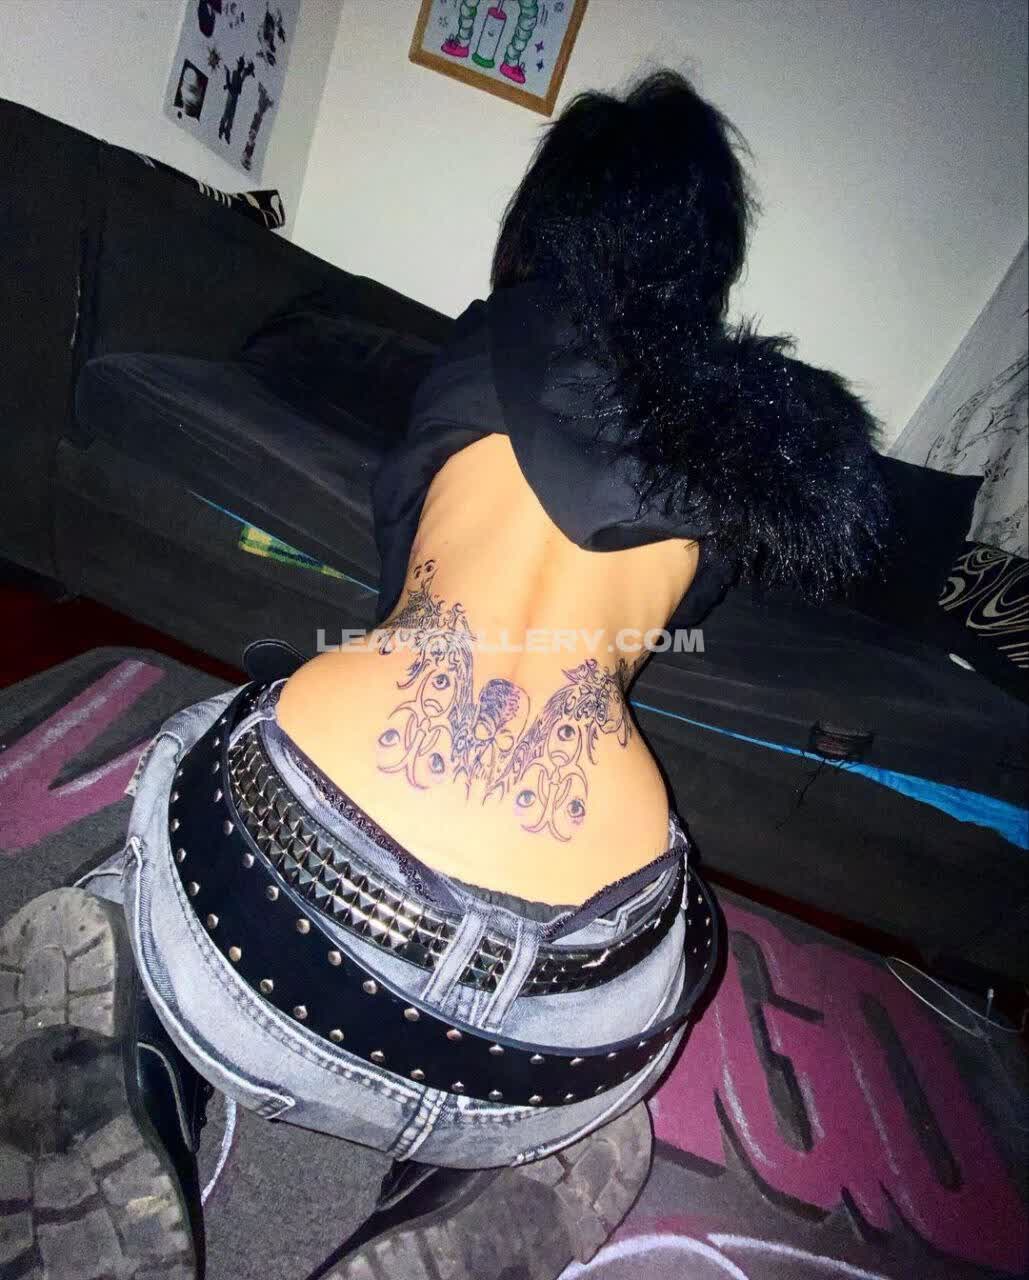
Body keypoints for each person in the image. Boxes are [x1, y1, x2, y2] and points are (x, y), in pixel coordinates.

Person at [0, 71, 888, 1280]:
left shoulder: (491, 337)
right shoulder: (751, 436)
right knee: (626, 1067)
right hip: (574, 1024)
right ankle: (474, 1170)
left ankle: (136, 1051)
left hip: (275, 924)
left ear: (552, 217)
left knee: (185, 768)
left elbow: (395, 556)